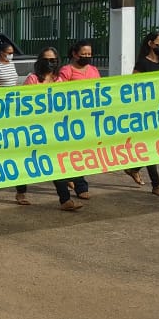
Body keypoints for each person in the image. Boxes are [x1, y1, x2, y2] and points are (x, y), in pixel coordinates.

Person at [15, 47, 83, 211]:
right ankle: (21, 191)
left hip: (52, 129)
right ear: (40, 61)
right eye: (46, 60)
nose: (49, 63)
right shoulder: (33, 79)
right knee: (26, 162)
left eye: (53, 60)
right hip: (33, 129)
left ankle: (65, 200)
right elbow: (23, 103)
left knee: (54, 163)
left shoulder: (59, 80)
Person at [126, 30, 159, 197]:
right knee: (151, 146)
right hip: (145, 111)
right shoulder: (143, 63)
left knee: (157, 145)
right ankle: (156, 185)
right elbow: (133, 85)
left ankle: (134, 168)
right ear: (150, 44)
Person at [57, 40, 102, 201]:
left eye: (89, 54)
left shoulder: (94, 70)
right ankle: (81, 186)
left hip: (88, 117)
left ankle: (72, 177)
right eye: (84, 54)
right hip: (70, 118)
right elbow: (60, 92)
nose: (87, 56)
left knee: (83, 152)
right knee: (72, 151)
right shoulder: (67, 71)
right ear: (75, 54)